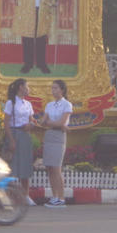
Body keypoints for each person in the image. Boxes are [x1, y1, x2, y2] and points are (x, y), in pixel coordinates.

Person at [38, 79, 72, 207]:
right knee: (50, 168)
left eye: (56, 88)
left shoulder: (67, 104)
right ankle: (54, 196)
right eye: (52, 88)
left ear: (62, 90)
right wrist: (52, 124)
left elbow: (62, 123)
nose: (53, 91)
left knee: (57, 168)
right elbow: (42, 122)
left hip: (59, 137)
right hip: (49, 135)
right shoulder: (49, 105)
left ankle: (61, 198)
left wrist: (52, 124)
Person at [3, 78, 36, 205]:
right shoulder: (11, 103)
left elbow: (32, 119)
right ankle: (9, 196)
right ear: (21, 87)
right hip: (14, 133)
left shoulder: (28, 104)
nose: (29, 89)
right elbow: (6, 123)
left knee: (25, 167)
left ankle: (25, 195)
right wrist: (11, 140)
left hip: (25, 134)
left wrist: (31, 124)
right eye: (27, 86)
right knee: (11, 167)